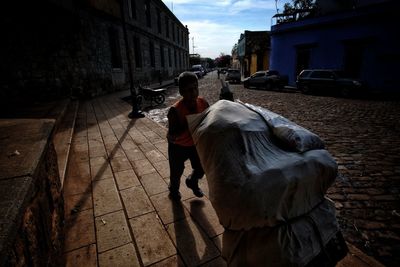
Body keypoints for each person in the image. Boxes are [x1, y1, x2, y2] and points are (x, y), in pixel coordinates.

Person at [167, 71, 209, 200]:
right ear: (181, 92)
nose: (193, 93)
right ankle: (173, 191)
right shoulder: (175, 111)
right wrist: (187, 125)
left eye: (195, 88)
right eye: (189, 90)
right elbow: (172, 135)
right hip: (177, 146)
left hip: (195, 144)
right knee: (176, 172)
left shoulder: (203, 103)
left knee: (202, 167)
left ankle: (192, 181)